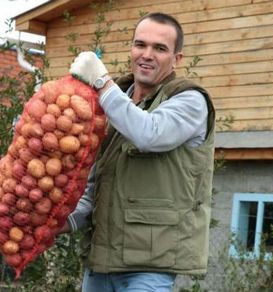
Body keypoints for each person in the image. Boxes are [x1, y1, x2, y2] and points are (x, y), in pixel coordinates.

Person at [61, 12, 215, 292]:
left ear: (176, 59)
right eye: (140, 45)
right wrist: (57, 222)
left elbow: (149, 133)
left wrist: (102, 82)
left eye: (159, 48)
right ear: (131, 49)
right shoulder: (114, 104)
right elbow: (94, 185)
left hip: (150, 269)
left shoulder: (190, 101)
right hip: (101, 263)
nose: (147, 54)